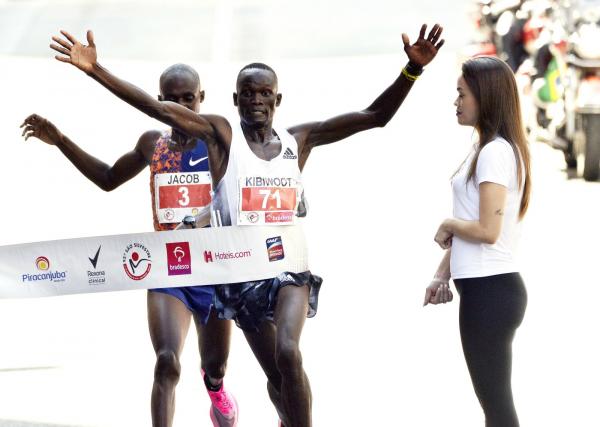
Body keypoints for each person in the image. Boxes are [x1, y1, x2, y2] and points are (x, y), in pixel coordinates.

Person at [48, 24, 444, 427]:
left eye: (264, 93)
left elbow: (374, 117)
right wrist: (97, 71)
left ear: (278, 98)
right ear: (235, 99)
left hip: (289, 270)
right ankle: (274, 411)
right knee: (275, 375)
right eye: (248, 93)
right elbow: (160, 110)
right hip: (241, 277)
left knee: (289, 353)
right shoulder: (221, 137)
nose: (256, 100)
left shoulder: (299, 140)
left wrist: (411, 71)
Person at [19, 64, 238, 427]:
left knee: (215, 365)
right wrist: (60, 141)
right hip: (169, 269)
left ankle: (215, 388)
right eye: (172, 99)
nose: (181, 107)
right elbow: (108, 178)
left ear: (201, 99)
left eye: (189, 99)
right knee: (167, 362)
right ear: (159, 101)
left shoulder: (216, 141)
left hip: (215, 270)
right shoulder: (154, 144)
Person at [424, 56, 532, 427]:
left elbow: (487, 230)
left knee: (498, 408)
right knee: (493, 405)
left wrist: (447, 222)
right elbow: (476, 224)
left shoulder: (495, 152)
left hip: (492, 292)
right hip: (485, 290)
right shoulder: (483, 148)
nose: (456, 102)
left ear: (484, 98)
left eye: (461, 94)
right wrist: (442, 274)